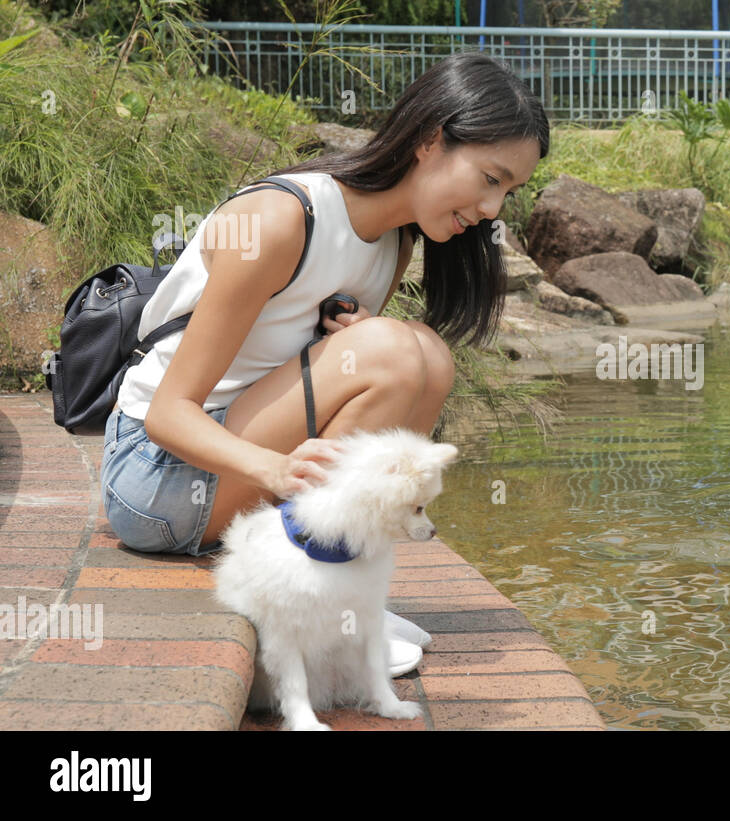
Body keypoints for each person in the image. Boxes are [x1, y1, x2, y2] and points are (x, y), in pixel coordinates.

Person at [99, 50, 548, 675]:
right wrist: (277, 469)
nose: (493, 209)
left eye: (509, 190)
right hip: (155, 478)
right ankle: (308, 605)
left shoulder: (391, 246)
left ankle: (345, 603)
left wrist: (355, 348)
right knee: (394, 350)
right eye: (490, 178)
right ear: (430, 140)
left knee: (427, 357)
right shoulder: (282, 219)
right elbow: (167, 415)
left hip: (226, 460)